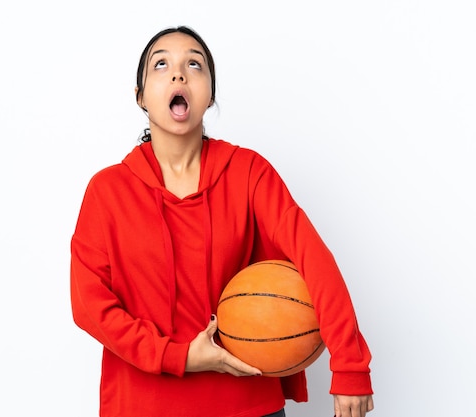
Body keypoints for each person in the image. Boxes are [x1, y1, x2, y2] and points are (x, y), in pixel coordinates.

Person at [70, 25, 374, 417]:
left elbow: (312, 258)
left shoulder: (249, 172)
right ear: (140, 96)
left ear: (210, 94)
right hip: (143, 405)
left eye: (194, 64)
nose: (179, 73)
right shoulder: (106, 190)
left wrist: (350, 364)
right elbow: (89, 305)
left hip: (247, 405)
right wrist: (177, 356)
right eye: (161, 64)